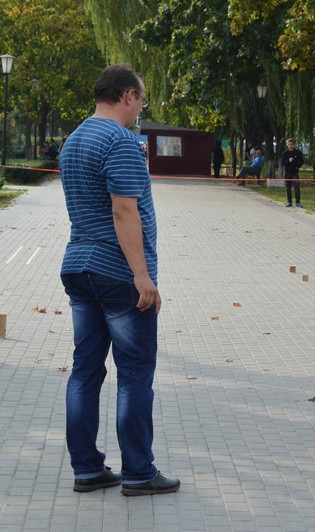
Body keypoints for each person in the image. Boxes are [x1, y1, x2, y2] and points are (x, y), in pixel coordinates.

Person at [59, 64, 179, 496]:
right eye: (141, 100)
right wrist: (142, 277)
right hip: (118, 273)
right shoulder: (120, 142)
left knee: (85, 373)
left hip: (78, 267)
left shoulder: (73, 140)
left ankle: (87, 469)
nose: (141, 109)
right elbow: (123, 211)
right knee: (133, 374)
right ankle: (138, 472)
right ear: (127, 95)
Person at [282, 138, 304, 208]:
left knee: (296, 187)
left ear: (293, 145)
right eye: (288, 144)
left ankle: (298, 202)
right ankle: (289, 201)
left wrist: (297, 166)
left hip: (295, 173)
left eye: (291, 144)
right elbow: (283, 163)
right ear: (287, 145)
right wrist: (288, 161)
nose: (290, 146)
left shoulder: (298, 152)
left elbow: (301, 161)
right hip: (287, 173)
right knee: (288, 187)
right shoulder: (285, 153)